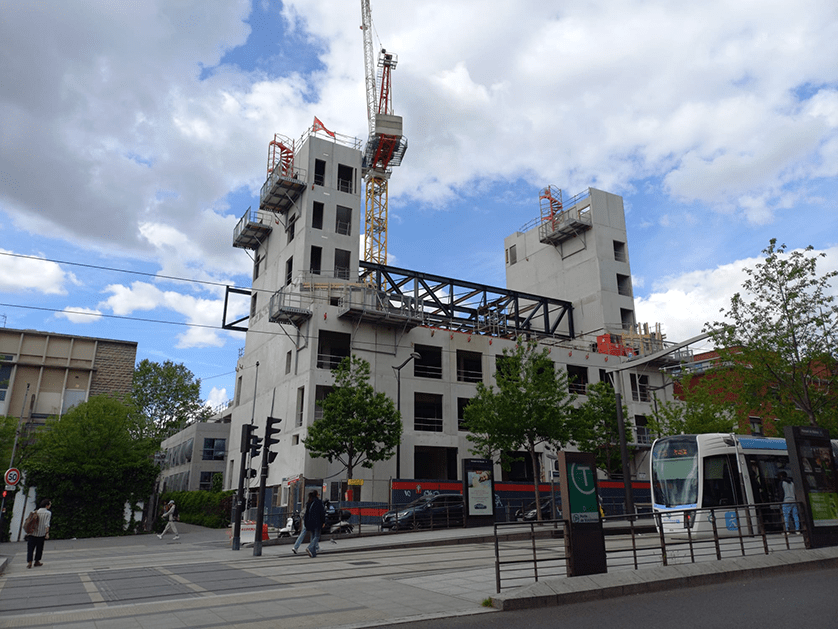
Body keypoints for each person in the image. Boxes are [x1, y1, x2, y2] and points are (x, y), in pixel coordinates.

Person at [26, 499, 52, 569]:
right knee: (39, 548)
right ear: (47, 505)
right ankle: (37, 561)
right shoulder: (48, 513)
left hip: (33, 533)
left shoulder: (35, 511)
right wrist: (47, 533)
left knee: (30, 548)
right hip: (41, 534)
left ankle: (29, 561)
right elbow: (47, 524)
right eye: (49, 504)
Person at [303, 490, 326, 558]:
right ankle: (310, 547)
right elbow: (322, 513)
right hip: (317, 522)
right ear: (316, 495)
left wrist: (306, 523)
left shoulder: (309, 502)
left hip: (310, 522)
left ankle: (313, 553)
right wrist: (323, 521)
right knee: (317, 536)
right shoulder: (318, 502)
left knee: (312, 536)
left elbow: (306, 514)